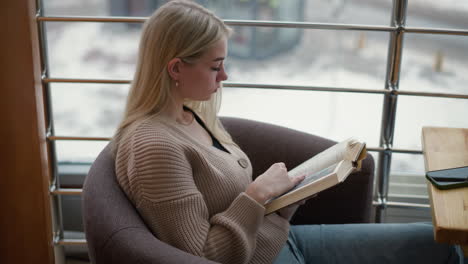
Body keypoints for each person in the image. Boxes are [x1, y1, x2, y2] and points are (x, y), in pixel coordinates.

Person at [111, 1, 466, 263]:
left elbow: (233, 205)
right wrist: (255, 196)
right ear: (175, 68)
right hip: (267, 256)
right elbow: (204, 255)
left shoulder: (191, 114)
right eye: (215, 67)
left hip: (279, 239)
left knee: (443, 246)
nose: (225, 77)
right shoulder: (154, 148)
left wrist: (283, 198)